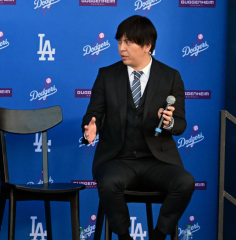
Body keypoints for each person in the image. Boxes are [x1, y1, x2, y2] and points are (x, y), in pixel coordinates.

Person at [81, 15, 195, 240]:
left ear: (147, 46)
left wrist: (169, 122)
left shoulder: (170, 77)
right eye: (119, 42)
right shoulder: (107, 75)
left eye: (128, 42)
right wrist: (90, 128)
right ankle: (125, 237)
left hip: (158, 161)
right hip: (118, 159)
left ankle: (158, 235)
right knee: (108, 182)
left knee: (185, 182)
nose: (121, 48)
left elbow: (181, 124)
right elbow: (93, 114)